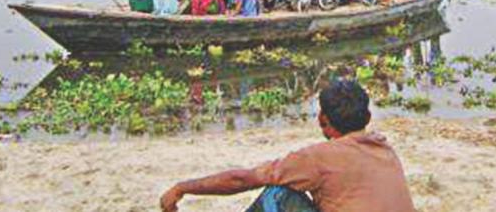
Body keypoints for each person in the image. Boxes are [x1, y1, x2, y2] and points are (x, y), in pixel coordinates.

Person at [160, 80, 414, 212]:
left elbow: (241, 179)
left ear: (322, 119)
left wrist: (182, 188)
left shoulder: (319, 158)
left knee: (277, 194)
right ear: (367, 119)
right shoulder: (385, 150)